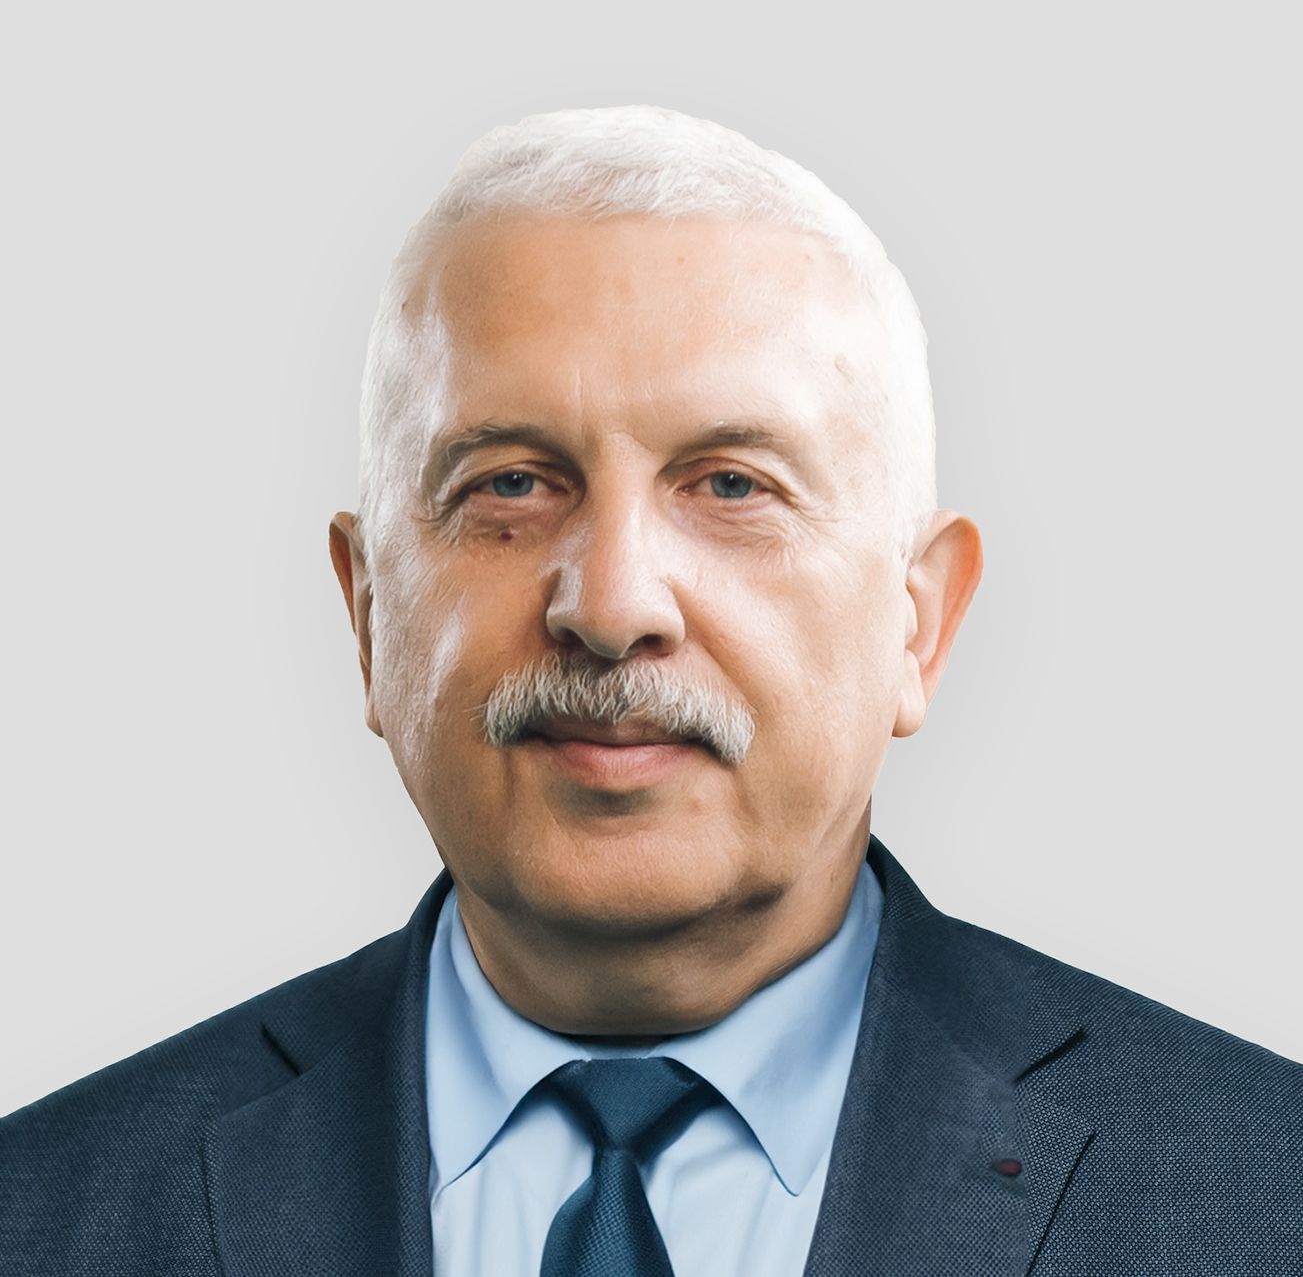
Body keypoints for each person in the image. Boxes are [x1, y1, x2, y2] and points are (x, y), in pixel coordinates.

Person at [2, 105, 1299, 1277]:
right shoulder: (42, 1215)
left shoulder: (1266, 1200)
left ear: (920, 622)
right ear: (368, 612)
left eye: (732, 484)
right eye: (511, 483)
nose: (612, 603)